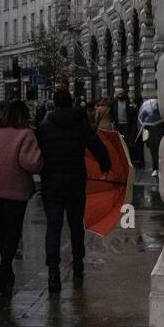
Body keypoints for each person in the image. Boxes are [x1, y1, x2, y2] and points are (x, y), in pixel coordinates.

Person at [35, 89, 111, 292]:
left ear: (54, 103)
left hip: (51, 183)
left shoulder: (44, 127)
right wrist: (105, 164)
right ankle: (78, 263)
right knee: (76, 224)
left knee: (54, 227)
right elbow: (96, 146)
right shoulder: (80, 125)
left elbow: (35, 152)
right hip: (75, 182)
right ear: (70, 103)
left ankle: (53, 273)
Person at [0, 101, 43, 296]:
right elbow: (32, 164)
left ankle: (4, 267)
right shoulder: (25, 134)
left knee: (1, 226)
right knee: (14, 229)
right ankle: (5, 267)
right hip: (15, 190)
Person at [110, 87, 140, 166]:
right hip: (118, 125)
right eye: (118, 94)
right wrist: (112, 121)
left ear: (123, 94)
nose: (119, 96)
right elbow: (112, 112)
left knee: (125, 141)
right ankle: (120, 156)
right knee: (119, 140)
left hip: (126, 125)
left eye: (121, 94)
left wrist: (133, 108)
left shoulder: (127, 102)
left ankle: (126, 157)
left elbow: (131, 113)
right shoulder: (114, 103)